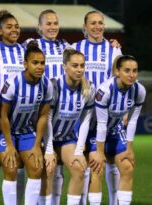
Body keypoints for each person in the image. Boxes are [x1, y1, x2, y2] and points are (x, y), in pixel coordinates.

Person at [72, 10, 122, 205]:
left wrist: (122, 111)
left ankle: (114, 201)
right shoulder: (75, 47)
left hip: (107, 114)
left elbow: (120, 80)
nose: (97, 26)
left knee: (111, 159)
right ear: (85, 27)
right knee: (83, 161)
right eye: (93, 23)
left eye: (100, 23)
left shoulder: (114, 50)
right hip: (81, 114)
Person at [0, 41, 52, 205]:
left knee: (36, 168)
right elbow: (3, 116)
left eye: (42, 63)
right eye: (35, 63)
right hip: (7, 132)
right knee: (11, 168)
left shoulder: (46, 84)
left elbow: (43, 116)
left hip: (27, 131)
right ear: (25, 64)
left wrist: (37, 145)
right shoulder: (12, 83)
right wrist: (9, 145)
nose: (39, 67)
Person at [86, 55, 145, 205]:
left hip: (114, 129)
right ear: (117, 71)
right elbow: (100, 123)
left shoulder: (139, 90)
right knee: (97, 168)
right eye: (127, 71)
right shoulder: (105, 90)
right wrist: (99, 152)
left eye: (134, 71)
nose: (131, 75)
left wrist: (129, 149)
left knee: (127, 167)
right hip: (94, 130)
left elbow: (132, 121)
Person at [40, 49, 95, 205]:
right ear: (64, 66)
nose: (79, 70)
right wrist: (49, 150)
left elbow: (86, 119)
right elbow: (47, 119)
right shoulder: (53, 85)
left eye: (82, 66)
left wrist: (78, 151)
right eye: (75, 65)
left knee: (79, 169)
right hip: (45, 138)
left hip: (66, 138)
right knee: (48, 169)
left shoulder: (88, 88)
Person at [0, 10, 26, 205]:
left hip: (22, 115)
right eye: (9, 27)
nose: (14, 30)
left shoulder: (25, 49)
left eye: (17, 26)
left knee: (19, 162)